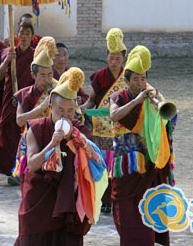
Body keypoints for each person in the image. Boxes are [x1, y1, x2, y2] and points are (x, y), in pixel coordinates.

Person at [15, 67, 107, 245]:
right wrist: (52, 144)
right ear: (50, 108)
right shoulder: (36, 128)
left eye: (70, 111)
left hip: (68, 202)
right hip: (40, 201)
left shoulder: (80, 130)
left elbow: (97, 162)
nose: (65, 116)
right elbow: (32, 165)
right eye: (60, 111)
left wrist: (79, 142)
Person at [109, 46, 172, 246]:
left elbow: (169, 122)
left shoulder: (152, 96)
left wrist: (155, 106)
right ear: (126, 81)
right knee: (128, 215)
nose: (140, 83)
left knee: (148, 213)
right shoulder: (119, 96)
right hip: (127, 165)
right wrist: (136, 102)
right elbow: (114, 115)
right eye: (135, 79)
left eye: (142, 78)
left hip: (148, 162)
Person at [81, 28, 128, 213]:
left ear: (123, 58)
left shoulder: (128, 76)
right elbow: (92, 100)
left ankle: (115, 198)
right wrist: (81, 109)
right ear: (106, 57)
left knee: (116, 163)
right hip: (100, 127)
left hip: (120, 125)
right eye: (111, 58)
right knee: (103, 163)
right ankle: (103, 199)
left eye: (117, 59)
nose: (114, 62)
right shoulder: (100, 76)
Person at [10, 37, 58, 185]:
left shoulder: (58, 91)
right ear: (33, 75)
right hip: (31, 142)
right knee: (29, 183)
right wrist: (41, 108)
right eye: (42, 75)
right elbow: (19, 121)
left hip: (53, 140)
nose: (47, 79)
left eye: (50, 74)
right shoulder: (25, 94)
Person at [0, 22, 35, 177]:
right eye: (21, 33)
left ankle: (24, 168)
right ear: (17, 36)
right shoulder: (10, 53)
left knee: (25, 134)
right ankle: (10, 171)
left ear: (32, 37)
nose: (24, 36)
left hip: (27, 100)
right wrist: (7, 60)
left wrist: (22, 98)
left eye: (27, 33)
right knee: (7, 134)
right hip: (9, 100)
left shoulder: (35, 55)